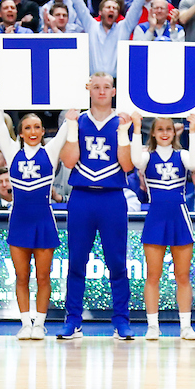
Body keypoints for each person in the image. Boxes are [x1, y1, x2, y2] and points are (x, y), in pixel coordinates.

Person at [58, 74, 134, 340]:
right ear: (88, 90)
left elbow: (127, 166)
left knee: (117, 262)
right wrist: (70, 128)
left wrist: (124, 132)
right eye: (96, 87)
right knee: (77, 260)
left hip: (112, 198)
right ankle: (73, 320)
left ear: (114, 91)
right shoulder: (76, 120)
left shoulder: (123, 121)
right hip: (82, 197)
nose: (101, 91)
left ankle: (121, 321)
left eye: (106, 87)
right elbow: (68, 162)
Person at [0, 95, 72, 340]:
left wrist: (78, 91)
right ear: (21, 132)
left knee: (43, 276)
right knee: (22, 276)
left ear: (43, 130)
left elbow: (69, 121)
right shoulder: (12, 151)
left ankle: (40, 324)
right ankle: (25, 322)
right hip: (19, 221)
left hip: (44, 221)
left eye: (37, 127)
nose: (33, 131)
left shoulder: (51, 151)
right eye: (28, 128)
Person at [129, 112, 195, 341]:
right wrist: (136, 127)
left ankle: (186, 327)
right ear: (153, 133)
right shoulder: (146, 157)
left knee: (182, 276)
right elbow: (134, 161)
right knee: (153, 275)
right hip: (156, 217)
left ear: (174, 133)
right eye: (160, 129)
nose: (164, 133)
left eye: (168, 129)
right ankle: (152, 326)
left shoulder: (182, 156)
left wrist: (193, 131)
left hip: (179, 217)